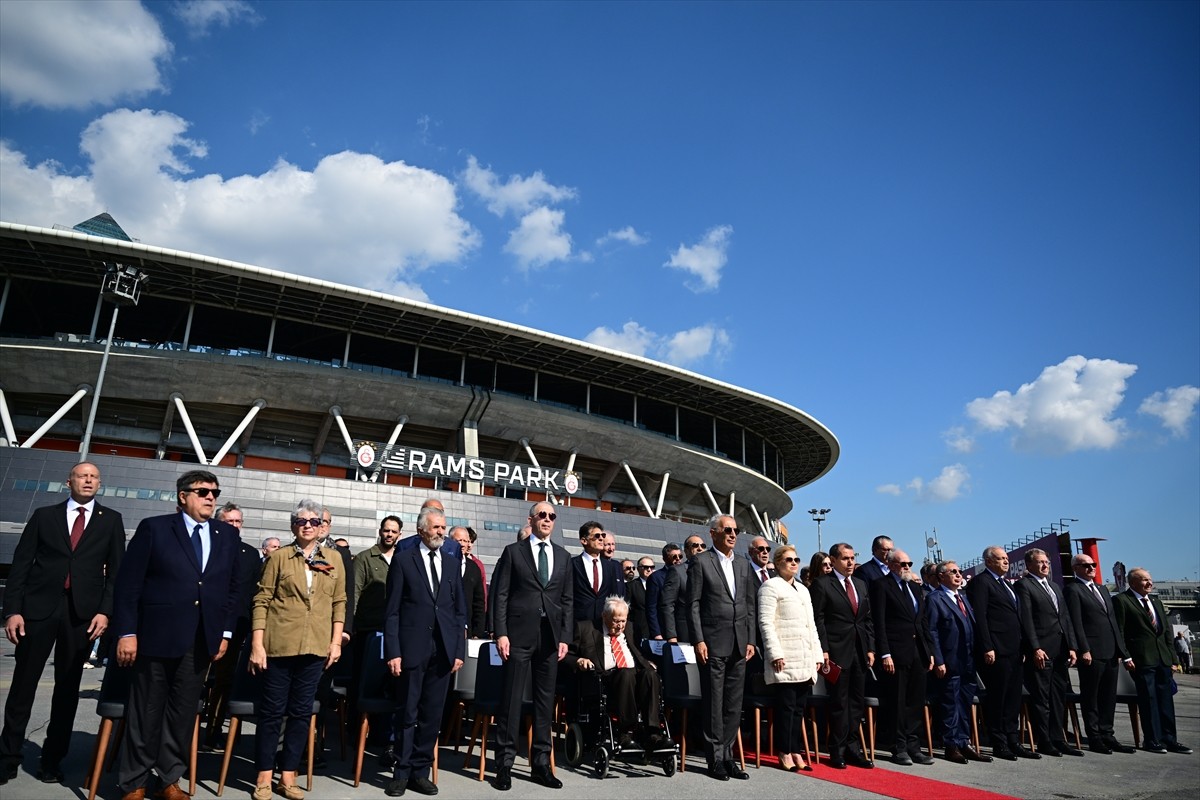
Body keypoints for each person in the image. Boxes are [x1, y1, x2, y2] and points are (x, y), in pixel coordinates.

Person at [113, 470, 242, 800]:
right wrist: (127, 632)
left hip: (201, 641)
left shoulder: (226, 536)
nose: (210, 497)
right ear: (182, 496)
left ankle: (169, 779)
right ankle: (135, 783)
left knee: (183, 714)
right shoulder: (154, 528)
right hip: (155, 636)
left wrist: (224, 632)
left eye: (214, 491)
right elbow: (128, 586)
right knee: (146, 711)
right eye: (202, 491)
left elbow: (231, 589)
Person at [0, 461, 125, 786]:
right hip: (37, 611)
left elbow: (116, 574)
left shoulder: (111, 520)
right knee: (22, 688)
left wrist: (105, 612)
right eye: (82, 475)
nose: (88, 480)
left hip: (82, 616)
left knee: (67, 690)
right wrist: (12, 610)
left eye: (94, 477)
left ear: (99, 484)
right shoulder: (45, 516)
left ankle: (52, 760)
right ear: (69, 481)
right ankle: (8, 757)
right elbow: (21, 565)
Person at [248, 499, 347, 800]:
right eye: (301, 521)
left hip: (316, 648)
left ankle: (288, 775)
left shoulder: (334, 558)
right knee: (272, 713)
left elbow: (339, 602)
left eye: (313, 521)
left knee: (301, 714)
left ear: (321, 527)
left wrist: (335, 641)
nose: (307, 525)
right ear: (293, 526)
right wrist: (256, 643)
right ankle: (264, 776)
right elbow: (261, 600)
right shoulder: (278, 557)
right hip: (279, 646)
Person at [383, 507, 466, 797]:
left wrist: (459, 651)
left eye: (443, 527)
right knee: (407, 711)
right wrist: (393, 651)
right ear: (421, 530)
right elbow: (391, 611)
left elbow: (459, 612)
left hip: (443, 650)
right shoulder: (404, 561)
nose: (441, 532)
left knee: (432, 714)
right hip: (410, 649)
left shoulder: (453, 563)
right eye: (436, 528)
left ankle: (420, 771)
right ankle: (401, 771)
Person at [489, 501, 573, 791]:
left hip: (550, 638)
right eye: (542, 515)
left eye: (552, 516)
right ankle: (504, 765)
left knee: (544, 704)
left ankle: (540, 764)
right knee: (511, 700)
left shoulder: (563, 556)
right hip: (518, 635)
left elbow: (567, 601)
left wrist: (565, 637)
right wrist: (500, 633)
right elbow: (500, 595)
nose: (547, 519)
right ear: (532, 519)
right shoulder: (514, 552)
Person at [688, 514, 757, 781]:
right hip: (713, 641)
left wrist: (750, 639)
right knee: (714, 703)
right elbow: (692, 604)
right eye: (727, 530)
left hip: (740, 643)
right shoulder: (700, 562)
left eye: (736, 530)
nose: (732, 534)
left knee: (733, 704)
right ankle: (714, 758)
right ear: (713, 533)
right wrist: (699, 640)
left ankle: (728, 756)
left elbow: (749, 604)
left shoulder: (742, 564)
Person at [203, 502, 265, 751]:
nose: (234, 526)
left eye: (238, 522)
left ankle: (215, 730)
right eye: (229, 521)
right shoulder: (205, 547)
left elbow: (254, 592)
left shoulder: (250, 554)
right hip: (203, 624)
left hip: (236, 627)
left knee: (225, 682)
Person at [1113, 568, 1192, 755]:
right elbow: (1120, 631)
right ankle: (1153, 740)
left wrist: (1173, 659)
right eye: (1144, 580)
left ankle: (1169, 739)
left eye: (1150, 579)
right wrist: (1126, 656)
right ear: (1132, 583)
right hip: (1141, 660)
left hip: (1162, 660)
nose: (1149, 583)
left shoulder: (1155, 601)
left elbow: (1165, 631)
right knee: (1148, 700)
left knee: (1166, 700)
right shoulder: (1122, 601)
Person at [810, 542, 875, 770]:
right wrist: (823, 649)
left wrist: (870, 648)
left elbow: (866, 619)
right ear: (834, 560)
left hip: (859, 651)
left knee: (857, 703)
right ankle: (836, 750)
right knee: (839, 703)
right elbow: (817, 619)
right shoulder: (822, 584)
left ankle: (852, 748)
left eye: (853, 557)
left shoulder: (860, 584)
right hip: (836, 652)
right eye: (845, 558)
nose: (850, 562)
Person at [966, 546, 1034, 760]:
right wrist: (987, 646)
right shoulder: (981, 582)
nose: (1006, 561)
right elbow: (981, 617)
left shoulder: (1007, 584)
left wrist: (1024, 646)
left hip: (1014, 649)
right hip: (996, 650)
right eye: (1001, 558)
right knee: (999, 697)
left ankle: (1013, 739)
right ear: (988, 561)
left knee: (1014, 698)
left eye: (1006, 558)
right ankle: (999, 742)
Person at [757, 545, 822, 772]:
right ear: (777, 563)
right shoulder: (769, 587)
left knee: (798, 708)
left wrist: (816, 653)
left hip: (804, 656)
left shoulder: (803, 590)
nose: (794, 563)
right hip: (785, 656)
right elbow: (766, 623)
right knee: (786, 707)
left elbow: (811, 625)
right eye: (788, 559)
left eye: (796, 559)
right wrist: (775, 652)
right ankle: (784, 751)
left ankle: (796, 750)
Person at [1063, 553, 1135, 754]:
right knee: (1091, 696)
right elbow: (1076, 623)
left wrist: (1122, 651)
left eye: (1093, 564)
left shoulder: (1102, 589)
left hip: (1111, 651)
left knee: (1108, 696)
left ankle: (1107, 734)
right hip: (1091, 653)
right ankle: (1094, 737)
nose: (1091, 568)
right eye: (1085, 565)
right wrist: (1083, 648)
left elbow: (1113, 622)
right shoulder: (1073, 590)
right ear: (1075, 568)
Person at [570, 596, 664, 749]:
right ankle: (626, 731)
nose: (620, 626)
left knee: (650, 674)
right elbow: (567, 655)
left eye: (623, 621)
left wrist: (648, 663)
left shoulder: (632, 628)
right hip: (606, 680)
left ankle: (653, 733)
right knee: (625, 673)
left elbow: (638, 653)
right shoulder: (585, 628)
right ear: (604, 616)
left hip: (633, 676)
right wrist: (579, 660)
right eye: (616, 621)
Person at [869, 548, 935, 766]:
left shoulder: (915, 588)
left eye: (909, 564)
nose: (907, 568)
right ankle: (898, 747)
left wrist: (930, 651)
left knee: (915, 701)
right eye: (903, 564)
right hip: (896, 653)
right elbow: (879, 622)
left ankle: (914, 746)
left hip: (918, 652)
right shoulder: (881, 585)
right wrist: (885, 653)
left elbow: (922, 622)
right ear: (891, 565)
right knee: (897, 701)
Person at [1014, 548, 1081, 757]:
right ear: (1030, 565)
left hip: (1060, 650)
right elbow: (1026, 619)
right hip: (1041, 650)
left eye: (1047, 562)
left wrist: (1072, 646)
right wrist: (1035, 647)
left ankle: (1058, 738)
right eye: (1041, 562)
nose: (1045, 565)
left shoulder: (1054, 587)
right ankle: (1044, 740)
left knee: (1058, 697)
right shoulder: (1024, 585)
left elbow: (1065, 619)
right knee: (1041, 699)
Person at [927, 561, 991, 764]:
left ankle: (964, 742)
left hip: (968, 660)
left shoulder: (962, 597)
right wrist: (938, 659)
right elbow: (932, 631)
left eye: (959, 571)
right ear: (941, 576)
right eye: (953, 572)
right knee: (950, 704)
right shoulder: (934, 599)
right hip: (949, 660)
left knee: (964, 702)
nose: (958, 574)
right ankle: (951, 745)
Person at [351, 515, 403, 757]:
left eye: (394, 531)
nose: (389, 534)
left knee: (391, 687)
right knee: (364, 684)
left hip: (394, 634)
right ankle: (357, 735)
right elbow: (354, 595)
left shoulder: (403, 560)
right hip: (368, 632)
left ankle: (385, 739)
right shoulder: (364, 558)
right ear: (380, 532)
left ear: (399, 535)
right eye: (386, 530)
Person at [572, 521, 626, 628]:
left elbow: (614, 596)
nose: (601, 538)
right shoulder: (571, 564)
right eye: (597, 536)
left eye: (603, 535)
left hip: (603, 626)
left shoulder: (610, 567)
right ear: (584, 541)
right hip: (578, 625)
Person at [660, 534, 706, 643]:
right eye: (695, 545)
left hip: (709, 631)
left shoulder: (712, 571)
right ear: (686, 551)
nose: (700, 548)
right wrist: (671, 636)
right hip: (686, 632)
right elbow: (667, 605)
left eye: (703, 546)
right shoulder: (677, 571)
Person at [450, 526, 487, 638]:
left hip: (467, 630)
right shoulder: (441, 563)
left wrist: (477, 632)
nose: (462, 544)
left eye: (465, 541)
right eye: (458, 540)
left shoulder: (474, 568)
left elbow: (479, 602)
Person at [645, 543, 682, 640]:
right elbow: (651, 608)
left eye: (680, 556)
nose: (678, 559)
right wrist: (656, 633)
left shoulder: (686, 574)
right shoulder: (655, 578)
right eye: (674, 556)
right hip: (665, 629)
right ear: (665, 559)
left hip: (683, 627)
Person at [626, 557, 655, 646]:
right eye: (646, 567)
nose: (649, 569)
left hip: (657, 631)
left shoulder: (659, 585)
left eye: (652, 567)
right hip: (639, 631)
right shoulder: (630, 586)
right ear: (638, 569)